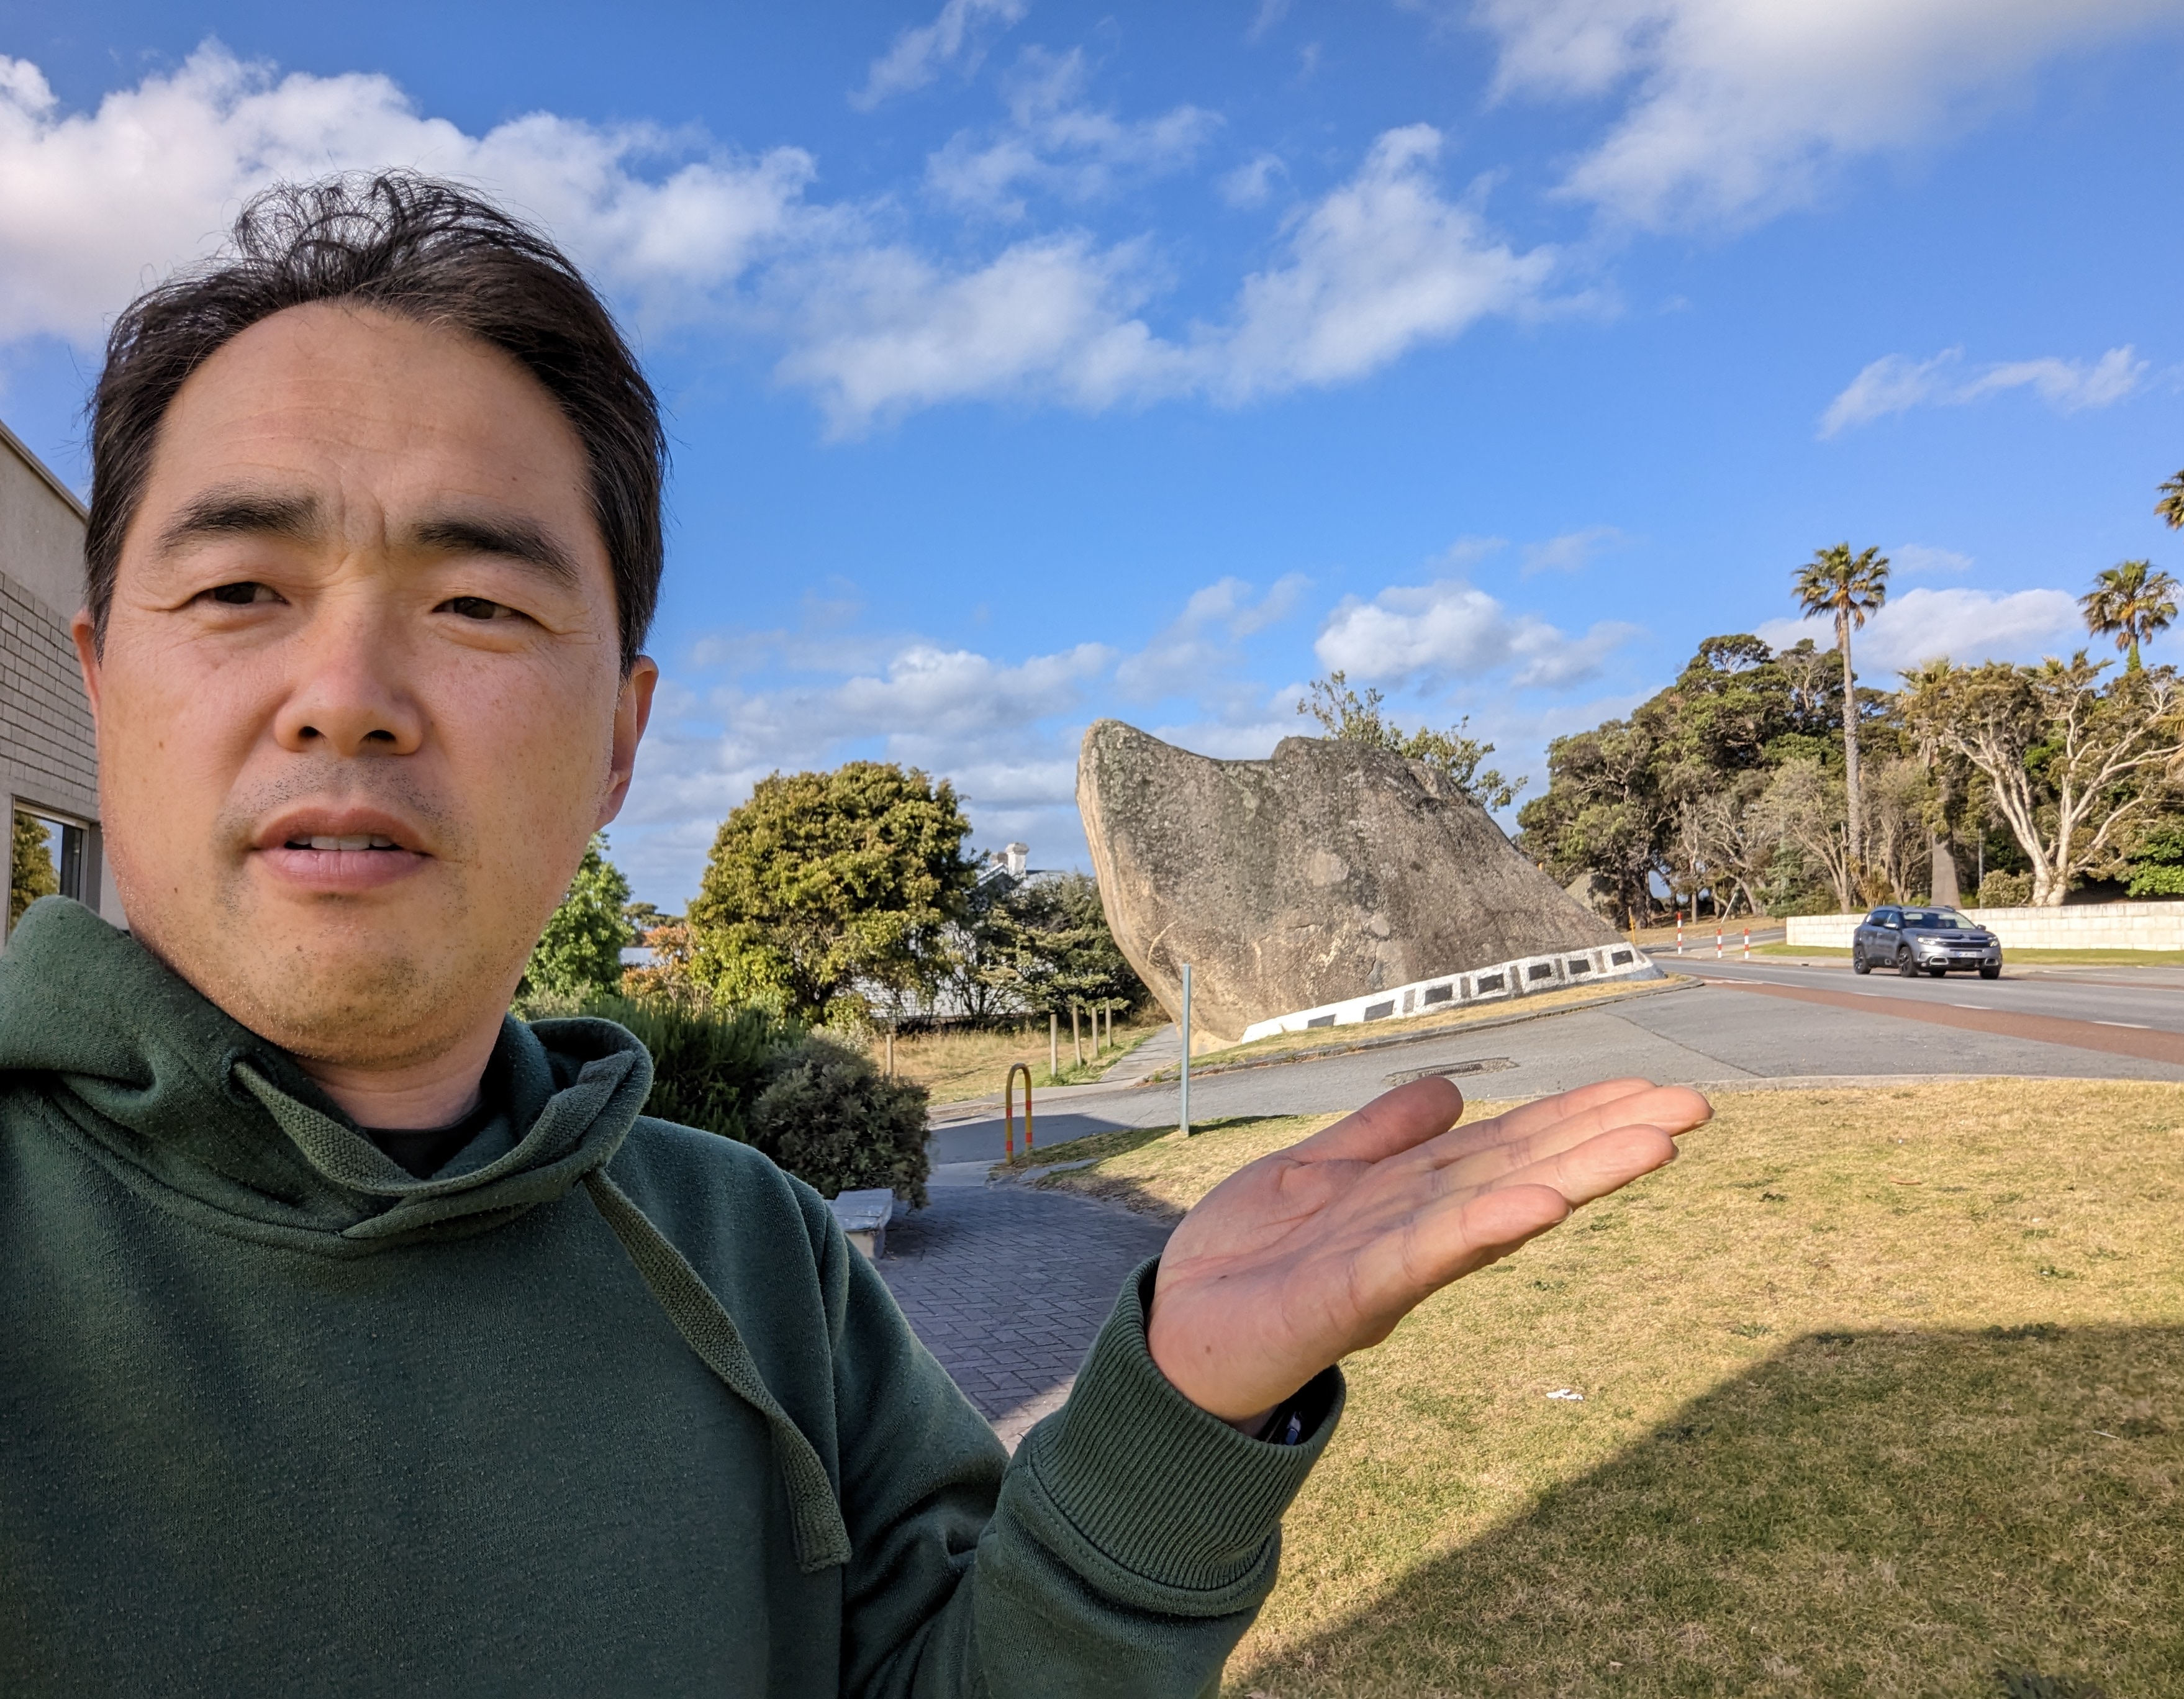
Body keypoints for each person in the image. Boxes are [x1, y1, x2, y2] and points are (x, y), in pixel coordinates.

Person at [0, 174, 1710, 1695]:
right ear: (99, 681)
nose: (347, 694)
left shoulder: (757, 1257)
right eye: (240, 590)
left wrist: (1179, 1420)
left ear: (619, 743)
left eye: (477, 603)